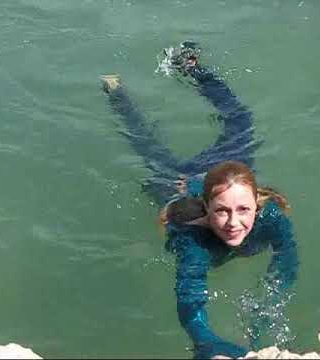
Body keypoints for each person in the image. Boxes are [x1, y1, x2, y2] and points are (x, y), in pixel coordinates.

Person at [101, 42, 299, 359]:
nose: (235, 223)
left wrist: (269, 305)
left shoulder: (269, 216)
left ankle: (191, 67)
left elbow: (287, 258)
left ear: (256, 203)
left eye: (243, 210)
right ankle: (116, 93)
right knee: (148, 149)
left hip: (223, 174)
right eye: (221, 212)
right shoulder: (194, 240)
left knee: (241, 119)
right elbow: (189, 299)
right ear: (206, 210)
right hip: (181, 185)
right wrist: (206, 341)